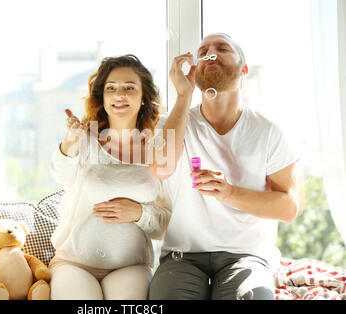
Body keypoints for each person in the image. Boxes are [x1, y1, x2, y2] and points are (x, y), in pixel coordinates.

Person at [148, 33, 300, 300]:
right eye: (203, 49)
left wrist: (229, 193)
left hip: (246, 256)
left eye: (222, 48)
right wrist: (184, 95)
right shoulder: (174, 123)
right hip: (182, 257)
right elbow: (161, 168)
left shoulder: (267, 131)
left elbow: (288, 207)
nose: (211, 52)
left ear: (244, 70)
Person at [49, 54, 171, 300]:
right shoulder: (86, 137)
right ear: (102, 97)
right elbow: (62, 176)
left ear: (144, 96)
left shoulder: (158, 149)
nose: (119, 95)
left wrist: (139, 213)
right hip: (74, 263)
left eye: (129, 88)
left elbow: (167, 223)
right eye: (111, 88)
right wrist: (70, 141)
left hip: (131, 266)